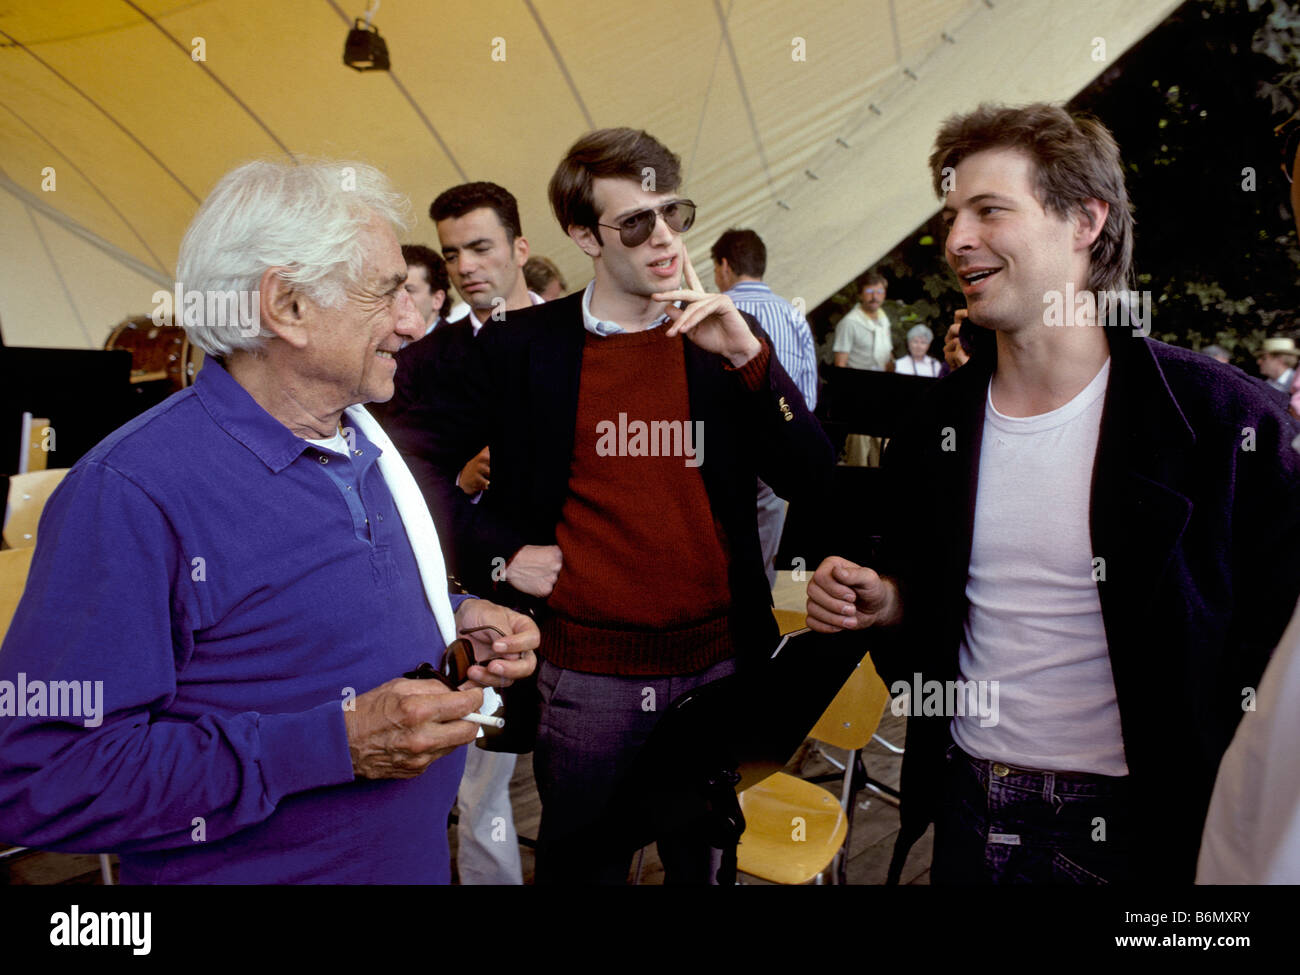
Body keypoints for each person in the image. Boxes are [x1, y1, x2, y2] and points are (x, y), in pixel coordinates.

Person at [0, 159, 538, 884]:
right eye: (386, 294)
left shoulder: (365, 443)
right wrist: (333, 745)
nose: (413, 323)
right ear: (286, 307)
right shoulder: (131, 492)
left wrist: (454, 613)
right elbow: (40, 775)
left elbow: (311, 614)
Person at [806, 103, 1300, 884]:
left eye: (989, 209)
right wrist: (888, 600)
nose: (957, 239)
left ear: (1085, 220)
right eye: (951, 215)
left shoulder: (1223, 420)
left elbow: (1277, 654)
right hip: (965, 807)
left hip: (1143, 832)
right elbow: (922, 600)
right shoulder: (938, 423)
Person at [387, 127, 834, 884]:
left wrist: (749, 357)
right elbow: (401, 457)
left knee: (706, 868)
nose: (663, 238)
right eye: (635, 222)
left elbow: (814, 475)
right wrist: (495, 550)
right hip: (587, 680)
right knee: (581, 868)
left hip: (717, 671)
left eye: (672, 213)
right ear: (582, 235)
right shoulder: (523, 346)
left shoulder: (721, 336)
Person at [385, 181, 545, 886]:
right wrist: (461, 478)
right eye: (453, 254)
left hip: (592, 603)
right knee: (479, 786)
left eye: (481, 247)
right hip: (482, 604)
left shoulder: (586, 338)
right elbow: (405, 478)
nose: (467, 266)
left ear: (520, 248)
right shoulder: (423, 363)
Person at [711, 227, 818, 587]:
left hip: (722, 451)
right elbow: (808, 395)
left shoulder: (712, 314)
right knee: (766, 547)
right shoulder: (793, 315)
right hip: (780, 448)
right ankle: (762, 613)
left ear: (724, 266)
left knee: (721, 541)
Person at [832, 271, 893, 371]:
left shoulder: (884, 318)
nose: (875, 297)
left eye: (879, 292)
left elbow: (887, 351)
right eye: (869, 292)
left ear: (884, 295)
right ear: (860, 295)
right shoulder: (849, 323)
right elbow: (840, 363)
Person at [401, 243, 452, 338]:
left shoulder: (457, 348)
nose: (397, 299)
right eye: (392, 291)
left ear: (437, 300)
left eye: (408, 290)